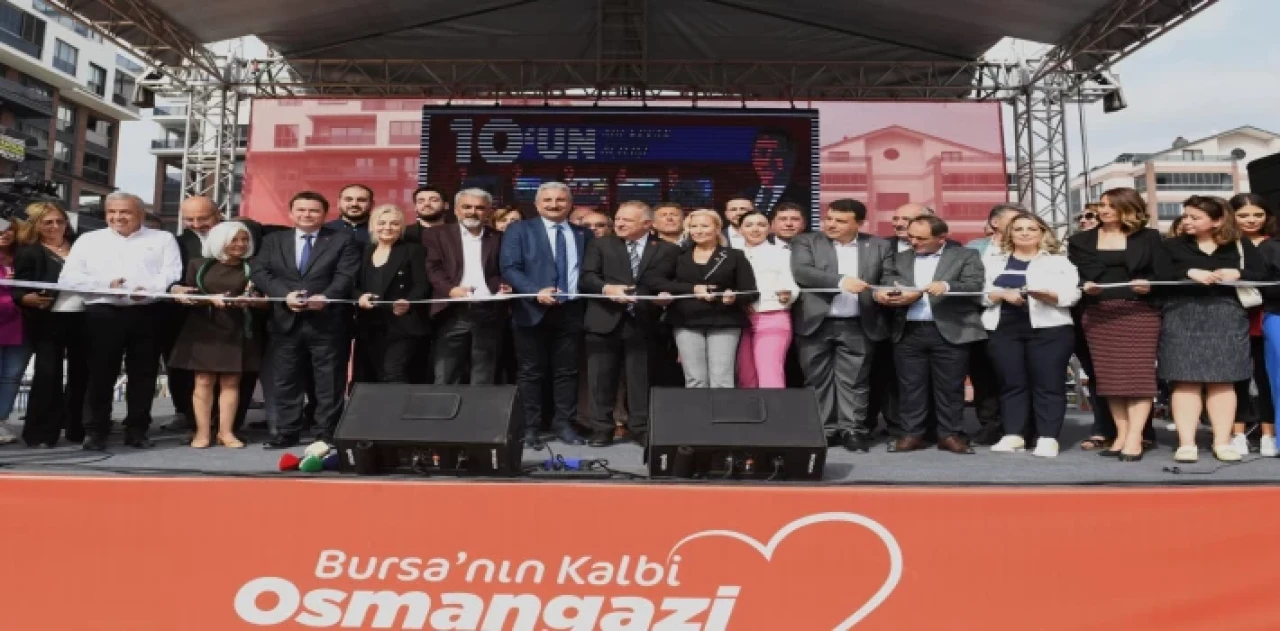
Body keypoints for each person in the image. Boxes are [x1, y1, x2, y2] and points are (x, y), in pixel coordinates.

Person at [59, 192, 183, 450]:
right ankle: (96, 431)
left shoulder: (163, 238)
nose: (117, 217)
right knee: (99, 375)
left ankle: (137, 430)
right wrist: (106, 284)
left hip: (147, 313)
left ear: (140, 214)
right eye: (112, 212)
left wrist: (148, 290)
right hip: (102, 313)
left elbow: (172, 272)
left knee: (144, 374)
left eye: (125, 212)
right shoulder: (89, 240)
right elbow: (68, 278)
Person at [1160, 195, 1268, 464]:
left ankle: (1222, 441)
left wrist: (1238, 274)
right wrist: (1188, 272)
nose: (1187, 221)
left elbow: (1263, 274)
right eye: (1186, 215)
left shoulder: (1239, 244)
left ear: (1217, 221)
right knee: (1185, 380)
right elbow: (1157, 274)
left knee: (1224, 379)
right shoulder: (1171, 245)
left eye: (1195, 217)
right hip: (1182, 314)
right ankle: (1187, 443)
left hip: (1227, 314)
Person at [251, 191, 361, 448]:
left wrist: (327, 297)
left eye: (313, 210)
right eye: (301, 210)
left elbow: (346, 275)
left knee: (329, 381)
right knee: (286, 380)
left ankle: (327, 433)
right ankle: (287, 432)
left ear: (324, 214)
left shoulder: (342, 240)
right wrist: (284, 295)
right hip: (285, 321)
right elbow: (260, 272)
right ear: (291, 213)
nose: (307, 215)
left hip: (328, 322)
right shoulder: (273, 240)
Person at [1068, 188, 1167, 460]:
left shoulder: (1149, 237)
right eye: (1102, 205)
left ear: (1129, 208)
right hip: (1099, 313)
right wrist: (1086, 285)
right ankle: (1121, 435)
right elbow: (1080, 273)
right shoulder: (1080, 240)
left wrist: (1150, 285)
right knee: (1110, 378)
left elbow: (1162, 272)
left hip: (1139, 312)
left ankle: (1135, 437)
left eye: (1112, 206)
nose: (1104, 210)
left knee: (1138, 377)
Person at [876, 215, 986, 455]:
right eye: (911, 237)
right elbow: (886, 280)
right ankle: (912, 434)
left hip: (951, 329)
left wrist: (946, 286)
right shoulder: (898, 257)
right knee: (910, 386)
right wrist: (891, 293)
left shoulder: (965, 255)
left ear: (941, 238)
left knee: (950, 387)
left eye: (921, 238)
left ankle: (950, 434)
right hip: (908, 330)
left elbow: (975, 285)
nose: (914, 242)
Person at [791, 199, 891, 450]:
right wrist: (841, 281)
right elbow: (802, 272)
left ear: (859, 223)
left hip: (859, 323)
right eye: (829, 218)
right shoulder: (806, 241)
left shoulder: (878, 245)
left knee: (855, 380)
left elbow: (889, 276)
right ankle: (824, 430)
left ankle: (853, 430)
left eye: (841, 221)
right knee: (816, 379)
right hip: (815, 322)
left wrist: (887, 291)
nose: (831, 224)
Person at [580, 201, 679, 446]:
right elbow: (587, 277)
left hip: (644, 321)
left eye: (627, 220)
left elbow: (671, 282)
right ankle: (602, 429)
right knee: (600, 379)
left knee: (640, 379)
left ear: (647, 224)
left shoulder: (668, 250)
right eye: (618, 219)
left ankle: (641, 428)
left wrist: (665, 297)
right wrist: (607, 288)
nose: (620, 224)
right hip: (604, 318)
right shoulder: (600, 244)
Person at [499, 181, 591, 447]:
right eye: (547, 200)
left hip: (571, 310)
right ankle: (531, 427)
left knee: (567, 371)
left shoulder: (583, 234)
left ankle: (564, 424)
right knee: (530, 372)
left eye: (560, 200)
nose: (554, 205)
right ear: (537, 205)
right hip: (531, 310)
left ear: (570, 204)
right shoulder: (519, 230)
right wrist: (534, 291)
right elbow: (509, 267)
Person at [983, 213, 1080, 458]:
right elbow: (980, 294)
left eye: (1031, 229)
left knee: (1048, 383)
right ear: (1010, 234)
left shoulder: (1058, 262)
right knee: (1011, 383)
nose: (1025, 233)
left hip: (1050, 329)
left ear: (1042, 233)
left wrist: (1047, 295)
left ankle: (1048, 437)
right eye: (1019, 229)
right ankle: (1014, 434)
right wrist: (1001, 294)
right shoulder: (993, 261)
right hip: (1003, 329)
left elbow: (1072, 295)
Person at [169, 222, 264, 448]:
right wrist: (203, 298)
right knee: (203, 380)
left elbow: (264, 299)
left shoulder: (254, 266)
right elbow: (187, 294)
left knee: (231, 382)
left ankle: (226, 432)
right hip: (204, 329)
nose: (241, 244)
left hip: (238, 329)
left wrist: (251, 301)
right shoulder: (198, 264)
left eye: (245, 239)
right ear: (220, 241)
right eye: (235, 239)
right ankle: (202, 433)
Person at [647, 209, 757, 388]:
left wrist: (733, 297)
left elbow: (750, 292)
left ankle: (722, 408)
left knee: (721, 378)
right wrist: (692, 289)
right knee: (695, 379)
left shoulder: (734, 255)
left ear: (717, 228)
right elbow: (655, 281)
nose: (698, 231)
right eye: (694, 226)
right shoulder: (678, 254)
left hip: (724, 320)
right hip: (686, 320)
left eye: (704, 226)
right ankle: (697, 408)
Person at [13, 203, 86, 447]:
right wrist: (26, 298)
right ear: (37, 226)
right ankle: (41, 433)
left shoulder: (81, 247)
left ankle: (78, 428)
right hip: (47, 319)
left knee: (82, 374)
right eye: (48, 222)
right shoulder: (29, 252)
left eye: (60, 221)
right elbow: (18, 288)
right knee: (48, 375)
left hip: (84, 317)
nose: (55, 226)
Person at [424, 188, 507, 385]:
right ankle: (444, 406)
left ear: (488, 211)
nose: (472, 212)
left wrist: (505, 285)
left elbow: (505, 269)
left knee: (484, 375)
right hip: (451, 311)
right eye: (467, 207)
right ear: (456, 210)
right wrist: (450, 290)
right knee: (446, 374)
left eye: (479, 208)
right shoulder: (436, 234)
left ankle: (479, 407)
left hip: (489, 312)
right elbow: (433, 267)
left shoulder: (499, 237)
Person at [354, 205, 428, 383]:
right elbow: (352, 284)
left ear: (401, 227)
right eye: (382, 223)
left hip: (402, 324)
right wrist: (359, 297)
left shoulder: (413, 250)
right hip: (369, 324)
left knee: (393, 371)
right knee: (371, 375)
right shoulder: (364, 251)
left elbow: (422, 284)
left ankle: (396, 403)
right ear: (373, 226)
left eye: (394, 223)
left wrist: (408, 302)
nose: (387, 227)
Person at [1230, 192, 1276, 456]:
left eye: (1258, 214)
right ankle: (1237, 432)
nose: (1251, 220)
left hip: (1268, 316)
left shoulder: (1274, 244)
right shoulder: (1226, 244)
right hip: (1232, 316)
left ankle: (1269, 433)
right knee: (1235, 376)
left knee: (1266, 376)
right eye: (1243, 215)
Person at [736, 210, 798, 389]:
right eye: (749, 225)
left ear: (769, 228)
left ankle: (774, 408)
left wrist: (786, 296)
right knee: (745, 377)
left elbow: (792, 285)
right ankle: (750, 409)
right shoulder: (731, 254)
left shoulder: (782, 253)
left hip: (772, 316)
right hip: (738, 319)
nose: (755, 229)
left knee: (770, 375)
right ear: (740, 230)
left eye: (761, 225)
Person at [0, 220, 24, 443]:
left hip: (20, 323)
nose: (4, 233)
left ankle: (1, 420)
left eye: (9, 229)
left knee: (12, 375)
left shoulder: (22, 256)